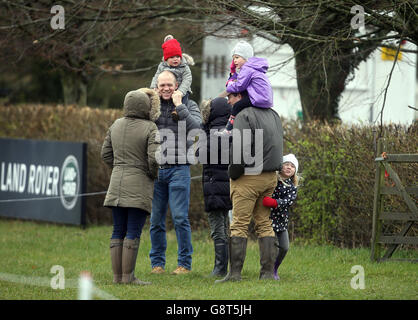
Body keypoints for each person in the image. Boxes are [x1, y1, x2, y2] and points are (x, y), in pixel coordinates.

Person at [216, 91, 283, 283]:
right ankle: (268, 274)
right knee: (264, 223)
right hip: (270, 177)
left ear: (241, 96)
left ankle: (235, 274)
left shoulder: (244, 115)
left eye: (231, 96)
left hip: (248, 178)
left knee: (239, 224)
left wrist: (233, 173)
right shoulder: (273, 113)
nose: (228, 100)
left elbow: (239, 150)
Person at [101, 88, 161, 285]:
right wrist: (152, 175)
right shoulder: (150, 127)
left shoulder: (116, 124)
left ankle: (117, 278)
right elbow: (154, 159)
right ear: (145, 106)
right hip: (139, 184)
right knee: (133, 231)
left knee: (118, 230)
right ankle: (128, 277)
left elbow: (105, 154)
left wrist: (119, 167)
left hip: (116, 183)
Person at [149, 70, 202, 275]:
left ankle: (184, 264)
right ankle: (157, 264)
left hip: (179, 168)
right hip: (156, 170)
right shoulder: (151, 105)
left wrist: (180, 106)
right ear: (157, 86)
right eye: (161, 85)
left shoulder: (189, 105)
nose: (165, 88)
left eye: (169, 84)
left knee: (180, 218)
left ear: (177, 84)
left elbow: (197, 129)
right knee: (156, 220)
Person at [200, 97, 232, 277]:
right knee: (227, 226)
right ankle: (227, 267)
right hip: (229, 186)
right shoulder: (232, 131)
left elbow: (200, 154)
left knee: (217, 228)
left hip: (214, 187)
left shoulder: (211, 133)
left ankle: (220, 268)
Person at [216, 40, 273, 136]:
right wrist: (233, 72)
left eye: (237, 57)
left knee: (237, 105)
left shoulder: (247, 69)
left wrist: (230, 85)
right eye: (233, 58)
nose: (234, 61)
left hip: (258, 98)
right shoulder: (253, 68)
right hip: (265, 98)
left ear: (246, 58)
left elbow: (239, 86)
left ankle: (229, 129)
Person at [263, 154, 299, 281]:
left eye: (292, 166)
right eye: (286, 164)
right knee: (270, 247)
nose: (289, 167)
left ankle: (275, 268)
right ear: (280, 166)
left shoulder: (292, 187)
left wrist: (274, 202)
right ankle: (267, 270)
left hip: (281, 221)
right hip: (268, 219)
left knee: (284, 247)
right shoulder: (272, 180)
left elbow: (288, 202)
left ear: (295, 171)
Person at [150, 35, 194, 121]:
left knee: (182, 100)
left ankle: (177, 111)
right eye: (172, 57)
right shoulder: (162, 66)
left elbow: (187, 79)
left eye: (177, 57)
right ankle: (154, 111)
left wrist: (181, 91)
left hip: (182, 89)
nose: (175, 59)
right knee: (155, 97)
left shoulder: (184, 66)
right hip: (167, 88)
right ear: (166, 58)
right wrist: (154, 88)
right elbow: (156, 76)